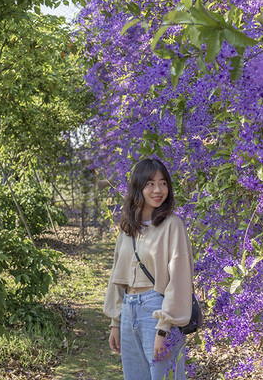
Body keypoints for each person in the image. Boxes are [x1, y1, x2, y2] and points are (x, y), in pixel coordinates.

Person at [103, 158, 194, 380]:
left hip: (158, 310)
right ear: (138, 187)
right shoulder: (127, 228)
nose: (158, 190)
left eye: (163, 183)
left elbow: (180, 279)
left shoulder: (173, 225)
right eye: (150, 183)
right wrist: (115, 322)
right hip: (128, 310)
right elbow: (118, 276)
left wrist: (164, 328)